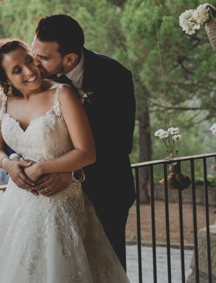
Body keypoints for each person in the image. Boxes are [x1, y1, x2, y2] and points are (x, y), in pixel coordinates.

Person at [0, 39, 138, 283]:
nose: (29, 71)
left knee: (63, 279)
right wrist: (9, 164)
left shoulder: (63, 94)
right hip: (18, 204)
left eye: (28, 60)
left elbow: (86, 153)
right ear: (5, 79)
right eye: (16, 70)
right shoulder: (2, 101)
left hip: (61, 204)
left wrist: (44, 167)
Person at [21, 14, 137, 268]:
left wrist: (74, 175)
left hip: (107, 192)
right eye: (33, 52)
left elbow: (119, 145)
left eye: (44, 58)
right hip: (57, 200)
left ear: (70, 58)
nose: (34, 62)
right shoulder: (37, 81)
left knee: (108, 271)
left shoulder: (115, 76)